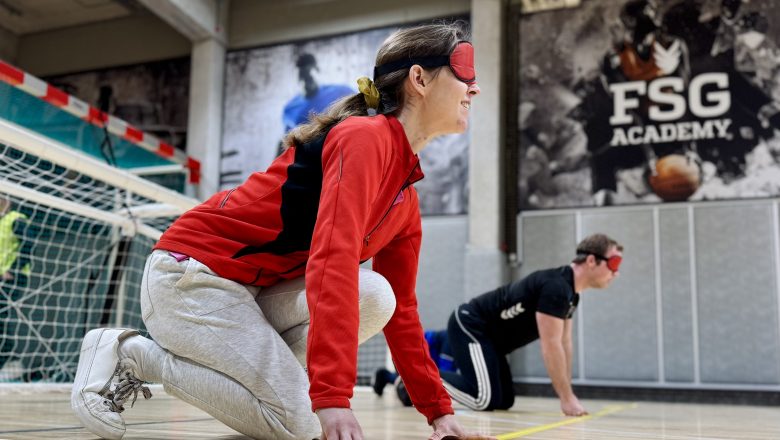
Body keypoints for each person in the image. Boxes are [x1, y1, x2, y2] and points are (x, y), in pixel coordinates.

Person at [70, 22, 494, 440]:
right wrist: (331, 399)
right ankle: (132, 355)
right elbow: (333, 260)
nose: (473, 88)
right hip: (192, 276)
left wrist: (440, 415)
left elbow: (401, 310)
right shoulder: (363, 138)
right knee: (302, 423)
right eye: (464, 72)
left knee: (379, 296)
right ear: (419, 79)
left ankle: (278, 394)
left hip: (255, 292)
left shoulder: (405, 198)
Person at [378, 234, 623, 416]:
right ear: (592, 260)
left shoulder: (571, 294)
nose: (616, 272)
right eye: (614, 264)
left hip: (491, 342)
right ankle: (410, 378)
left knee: (504, 400)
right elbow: (551, 346)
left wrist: (569, 393)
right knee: (482, 399)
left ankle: (413, 379)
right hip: (471, 325)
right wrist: (566, 399)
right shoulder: (556, 287)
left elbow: (564, 344)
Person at [0, 195, 33, 381]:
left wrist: (13, 270)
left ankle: (9, 360)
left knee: (2, 317)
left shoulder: (16, 219)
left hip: (12, 278)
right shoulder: (2, 221)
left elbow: (28, 245)